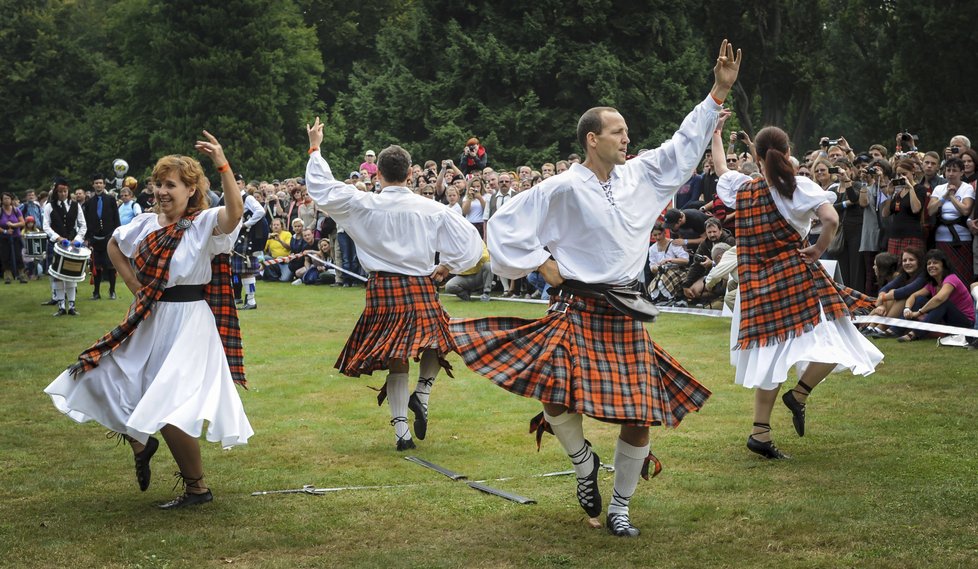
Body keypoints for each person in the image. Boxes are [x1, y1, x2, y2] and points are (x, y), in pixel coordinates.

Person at [449, 40, 741, 538]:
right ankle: (583, 463)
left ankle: (621, 506)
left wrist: (717, 92)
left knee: (640, 413)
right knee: (555, 394)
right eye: (618, 131)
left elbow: (682, 144)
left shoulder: (641, 175)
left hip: (627, 308)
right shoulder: (561, 187)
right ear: (591, 139)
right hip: (576, 305)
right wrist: (542, 262)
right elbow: (503, 226)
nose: (627, 138)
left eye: (627, 131)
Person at [44, 131, 253, 509]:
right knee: (101, 376)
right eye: (158, 183)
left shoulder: (204, 222)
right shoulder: (145, 223)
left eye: (170, 184)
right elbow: (112, 245)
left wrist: (222, 163)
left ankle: (197, 489)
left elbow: (235, 213)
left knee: (169, 404)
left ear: (191, 190)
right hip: (153, 316)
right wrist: (131, 282)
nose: (160, 191)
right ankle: (143, 443)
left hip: (190, 323)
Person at [305, 118, 482, 451]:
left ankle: (402, 431)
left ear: (378, 174)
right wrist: (447, 266)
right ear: (411, 172)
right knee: (439, 341)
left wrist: (315, 148)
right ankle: (423, 393)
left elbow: (321, 188)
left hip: (383, 289)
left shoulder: (363, 203)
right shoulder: (431, 209)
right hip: (420, 284)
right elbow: (472, 243)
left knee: (397, 356)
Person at [715, 125, 883, 461]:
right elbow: (831, 218)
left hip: (756, 288)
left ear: (756, 157)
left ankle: (760, 432)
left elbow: (721, 168)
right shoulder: (797, 186)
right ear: (787, 150)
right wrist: (820, 247)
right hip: (794, 282)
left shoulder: (743, 188)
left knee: (770, 356)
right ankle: (800, 394)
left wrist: (716, 134)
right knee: (839, 338)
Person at [898, 249, 976, 342]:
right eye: (929, 263)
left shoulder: (951, 279)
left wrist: (919, 312)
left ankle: (914, 334)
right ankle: (895, 330)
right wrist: (907, 309)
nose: (931, 266)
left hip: (966, 324)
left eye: (935, 263)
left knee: (943, 303)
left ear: (943, 265)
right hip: (946, 321)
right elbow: (913, 296)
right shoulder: (932, 284)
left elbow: (939, 299)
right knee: (919, 299)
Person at [43, 177, 88, 315]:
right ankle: (61, 306)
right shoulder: (49, 206)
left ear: (68, 191)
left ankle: (72, 306)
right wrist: (58, 238)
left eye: (65, 191)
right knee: (57, 275)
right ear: (56, 192)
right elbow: (46, 226)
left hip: (72, 245)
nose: (63, 194)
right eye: (60, 191)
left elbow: (83, 225)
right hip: (56, 245)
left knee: (71, 274)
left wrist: (77, 238)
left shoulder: (76, 205)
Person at [926, 158, 974, 285]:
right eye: (948, 170)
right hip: (941, 238)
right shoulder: (939, 188)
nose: (951, 173)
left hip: (961, 238)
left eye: (954, 170)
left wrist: (952, 197)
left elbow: (965, 210)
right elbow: (930, 210)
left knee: (962, 274)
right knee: (943, 273)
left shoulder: (966, 188)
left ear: (961, 172)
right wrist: (944, 197)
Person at [83, 175, 121, 300]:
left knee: (111, 266)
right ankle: (96, 292)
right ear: (93, 185)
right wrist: (88, 237)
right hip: (95, 238)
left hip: (109, 237)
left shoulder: (110, 200)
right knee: (96, 266)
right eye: (96, 183)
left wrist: (117, 234)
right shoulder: (89, 203)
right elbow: (86, 222)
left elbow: (116, 219)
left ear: (104, 185)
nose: (98, 185)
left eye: (100, 183)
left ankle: (112, 291)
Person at [1, 192, 27, 284]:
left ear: (11, 200)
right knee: (5, 256)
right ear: (2, 200)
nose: (6, 200)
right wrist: (5, 231)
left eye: (8, 198)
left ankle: (21, 275)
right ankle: (8, 276)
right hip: (4, 238)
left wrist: (13, 225)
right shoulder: (0, 211)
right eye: (4, 198)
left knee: (18, 255)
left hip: (16, 237)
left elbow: (22, 223)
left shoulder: (16, 210)